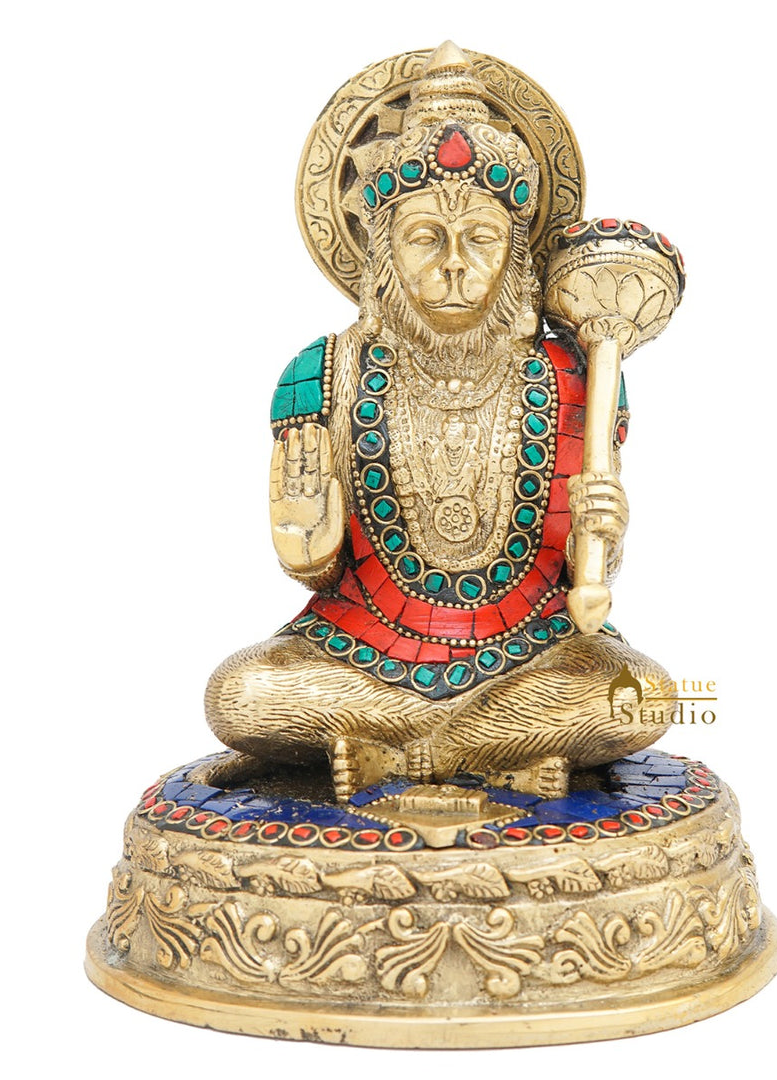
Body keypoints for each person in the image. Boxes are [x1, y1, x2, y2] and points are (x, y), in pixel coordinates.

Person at [203, 44, 673, 800]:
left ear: (517, 257)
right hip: (364, 647)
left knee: (643, 696)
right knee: (240, 693)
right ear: (382, 254)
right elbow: (319, 566)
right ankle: (498, 748)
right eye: (425, 237)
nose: (454, 264)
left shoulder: (576, 380)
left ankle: (408, 751)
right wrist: (304, 541)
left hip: (531, 646)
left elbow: (584, 584)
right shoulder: (323, 374)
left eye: (480, 239)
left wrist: (607, 533)